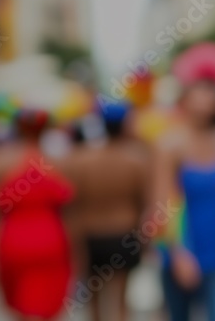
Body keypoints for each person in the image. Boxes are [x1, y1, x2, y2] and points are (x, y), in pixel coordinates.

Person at [153, 43, 215, 321]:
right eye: (202, 88)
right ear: (185, 93)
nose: (210, 96)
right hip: (184, 251)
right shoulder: (169, 143)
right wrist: (179, 253)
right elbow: (162, 203)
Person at [0, 109, 74, 321]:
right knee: (50, 305)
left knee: (21, 308)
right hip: (51, 240)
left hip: (12, 241)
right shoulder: (60, 162)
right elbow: (70, 213)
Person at [62, 102, 150, 321]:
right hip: (124, 234)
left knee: (94, 302)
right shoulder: (136, 160)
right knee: (121, 301)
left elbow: (72, 205)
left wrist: (74, 243)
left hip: (91, 235)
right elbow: (144, 203)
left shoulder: (81, 160)